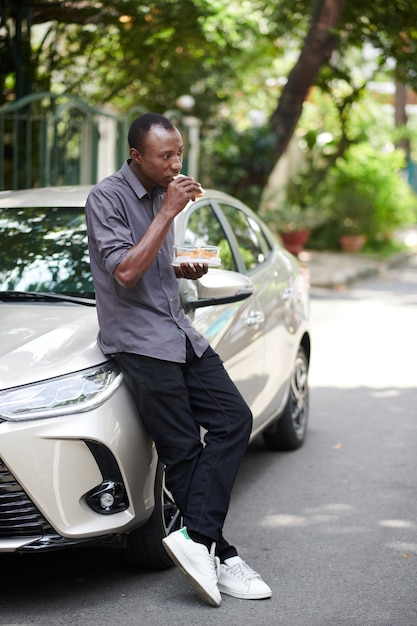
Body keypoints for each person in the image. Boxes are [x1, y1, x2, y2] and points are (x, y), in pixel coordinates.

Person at [85, 112, 271, 607]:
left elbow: (149, 264)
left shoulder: (162, 194)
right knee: (184, 448)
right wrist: (167, 212)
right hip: (139, 341)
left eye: (179, 153)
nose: (176, 163)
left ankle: (200, 542)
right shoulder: (106, 198)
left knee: (235, 419)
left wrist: (179, 263)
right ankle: (223, 555)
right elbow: (124, 271)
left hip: (178, 330)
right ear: (136, 156)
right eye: (166, 155)